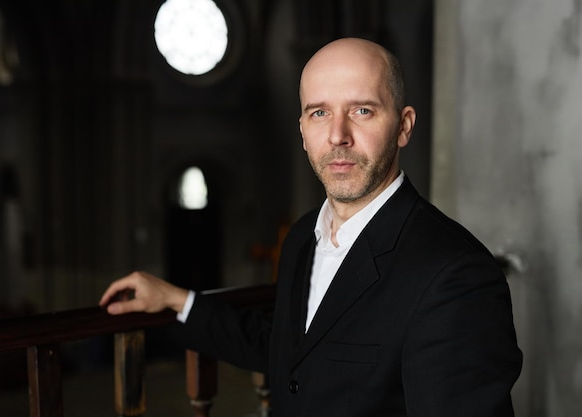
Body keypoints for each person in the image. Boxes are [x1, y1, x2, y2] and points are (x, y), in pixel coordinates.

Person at [100, 37, 522, 416]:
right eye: (319, 112)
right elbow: (289, 351)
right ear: (303, 130)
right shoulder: (303, 237)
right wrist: (178, 300)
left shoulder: (456, 274)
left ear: (403, 126)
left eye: (362, 110)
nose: (338, 135)